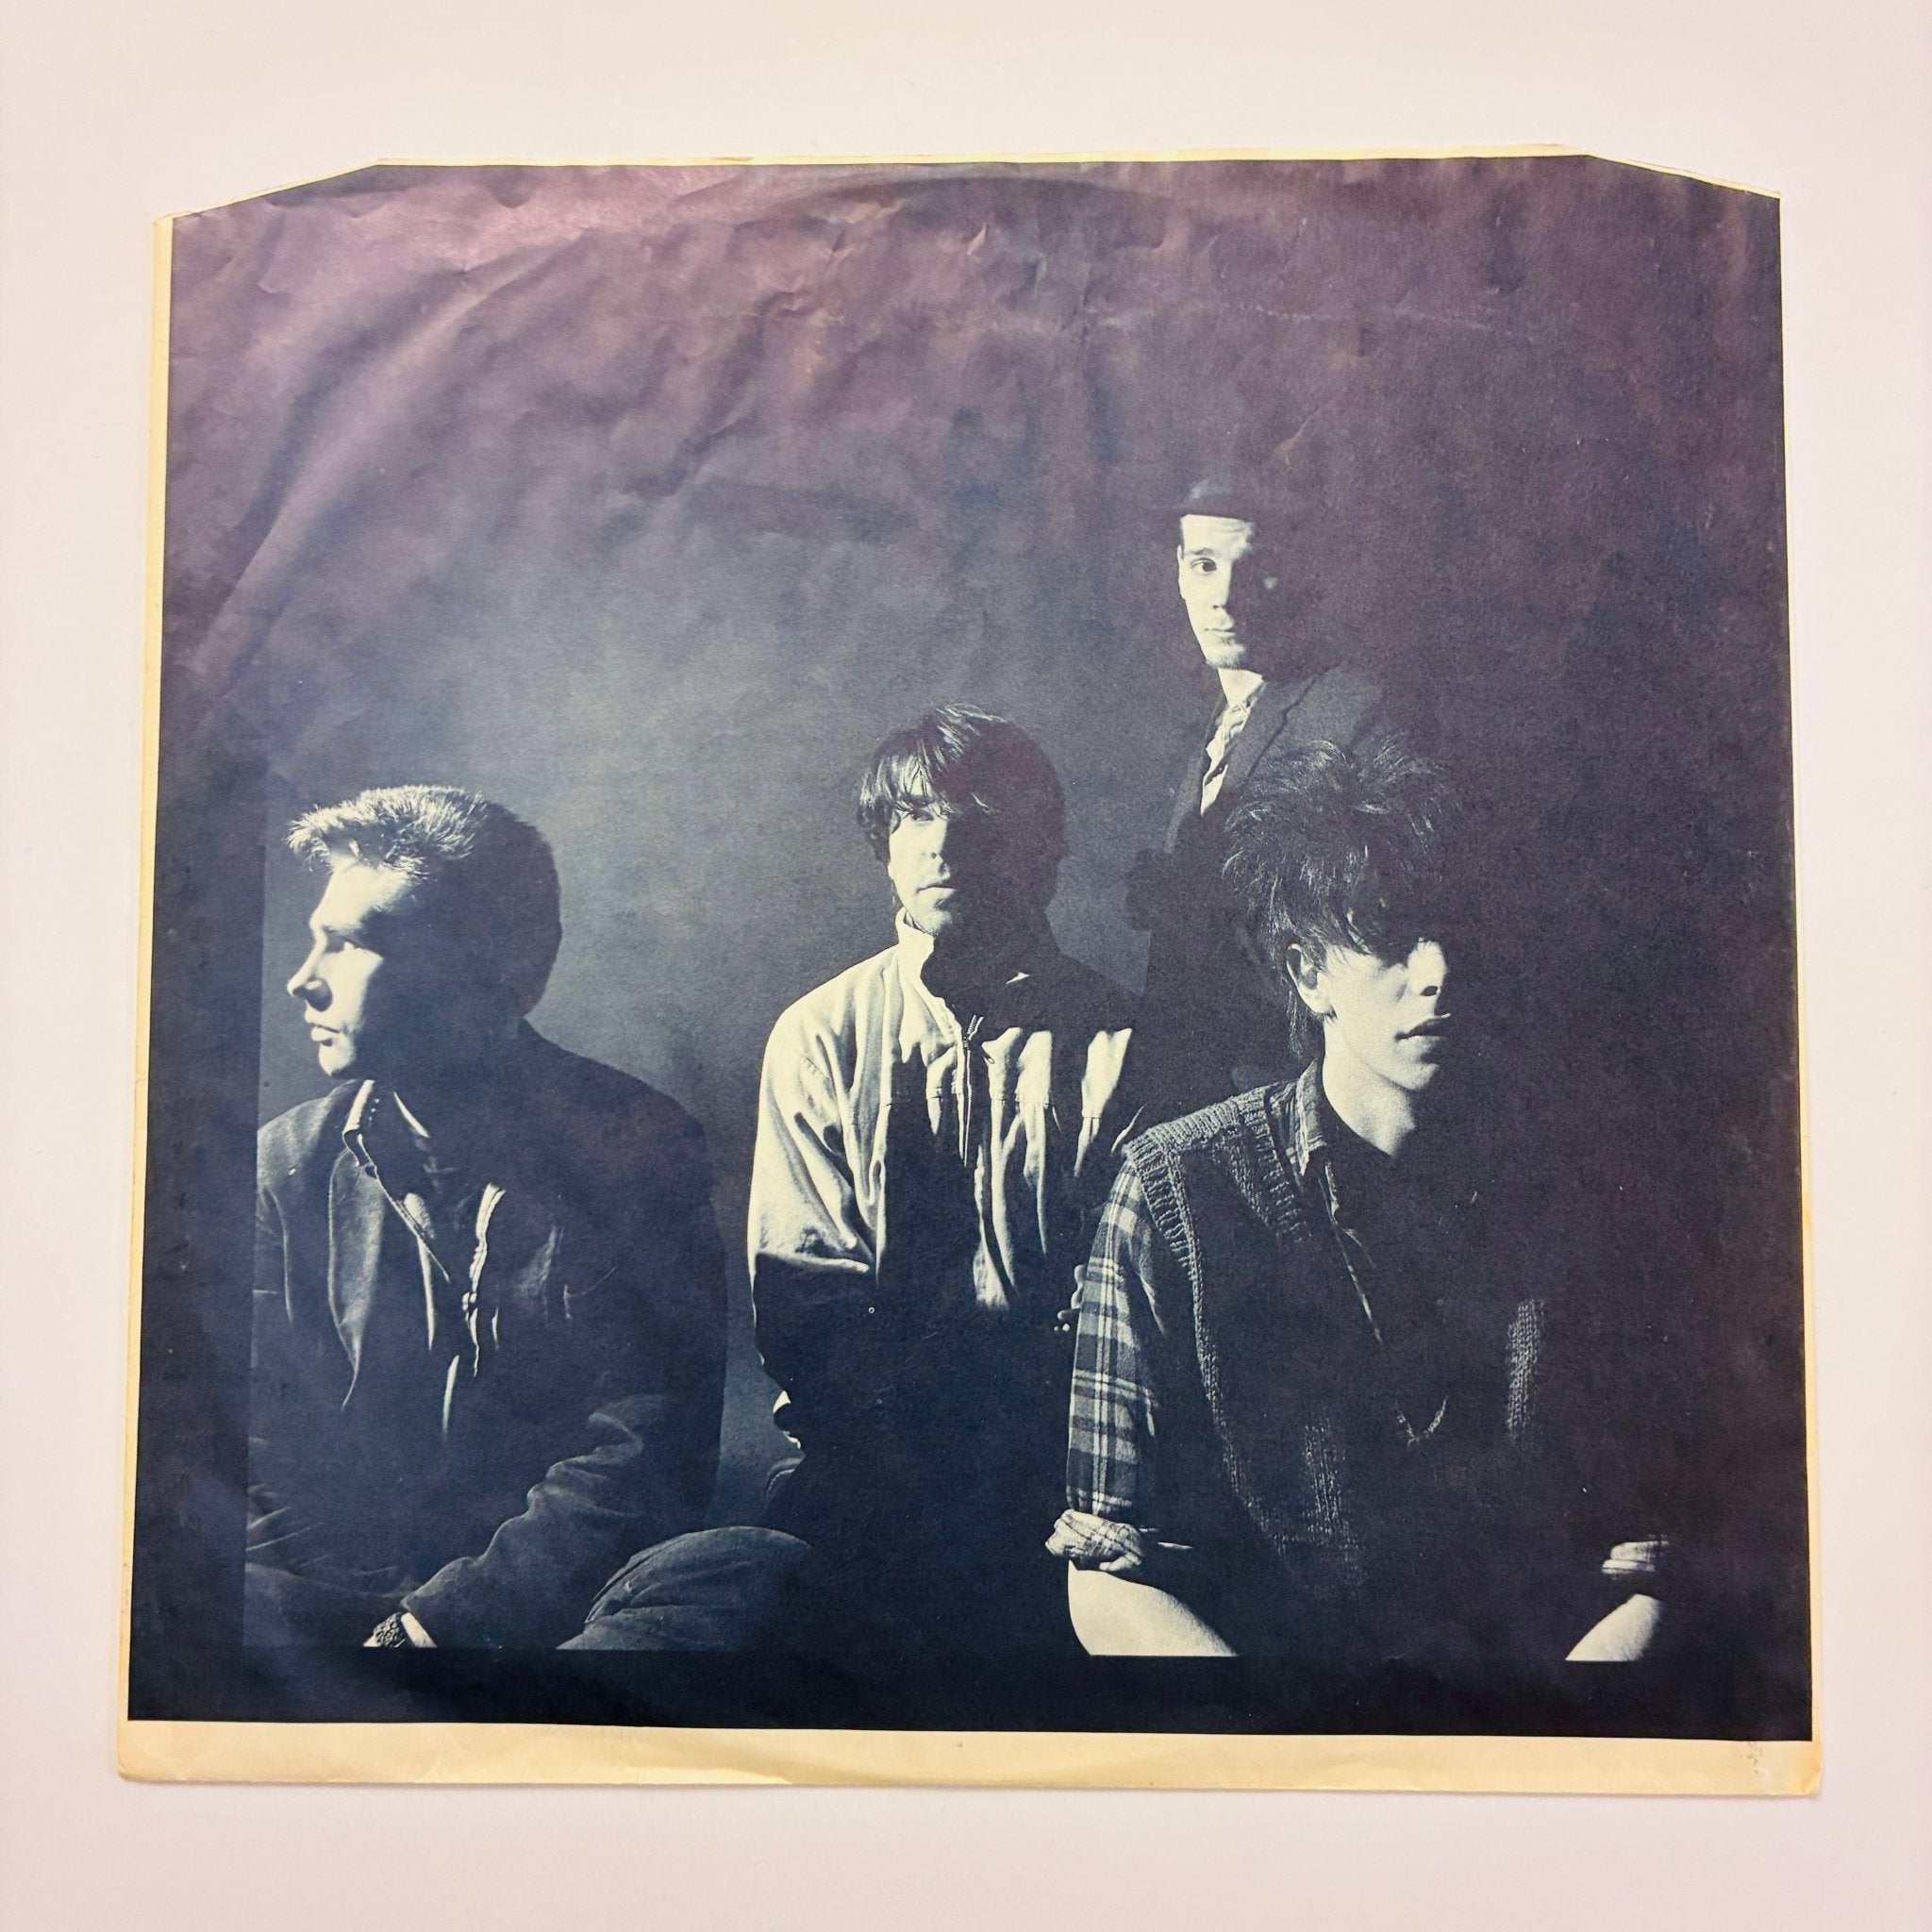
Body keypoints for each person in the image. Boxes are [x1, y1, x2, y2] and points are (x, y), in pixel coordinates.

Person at [1055, 741, 1665, 1682]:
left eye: (1456, 933)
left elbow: (1653, 1563)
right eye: (1388, 936)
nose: (1438, 971)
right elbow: (1106, 1569)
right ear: (1306, 973)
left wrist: (1553, 1733)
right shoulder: (1174, 1191)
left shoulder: (1578, 1195)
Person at [572, 706, 1137, 1657]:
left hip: (1064, 1480)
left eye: (979, 813)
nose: (943, 842)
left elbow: (1123, 1308)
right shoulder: (820, 1034)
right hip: (868, 1478)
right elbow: (808, 1305)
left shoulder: (1126, 1043)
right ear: (884, 846)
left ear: (1044, 850)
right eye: (914, 815)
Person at [246, 784, 725, 1649]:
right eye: (317, 938)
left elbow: (644, 1450)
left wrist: (444, 1622)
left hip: (562, 1600)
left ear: (500, 966)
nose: (302, 980)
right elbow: (260, 1453)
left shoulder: (638, 1146)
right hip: (344, 1602)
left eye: (350, 943)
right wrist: (376, 1628)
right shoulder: (285, 1165)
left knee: (745, 1574)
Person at [1126, 472, 1391, 1124]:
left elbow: (1364, 928)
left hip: (1296, 1097)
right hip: (1207, 1098)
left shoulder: (1348, 710)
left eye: (1254, 568)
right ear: (1179, 572)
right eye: (1204, 565)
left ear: (1298, 574)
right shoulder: (1213, 723)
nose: (1224, 596)